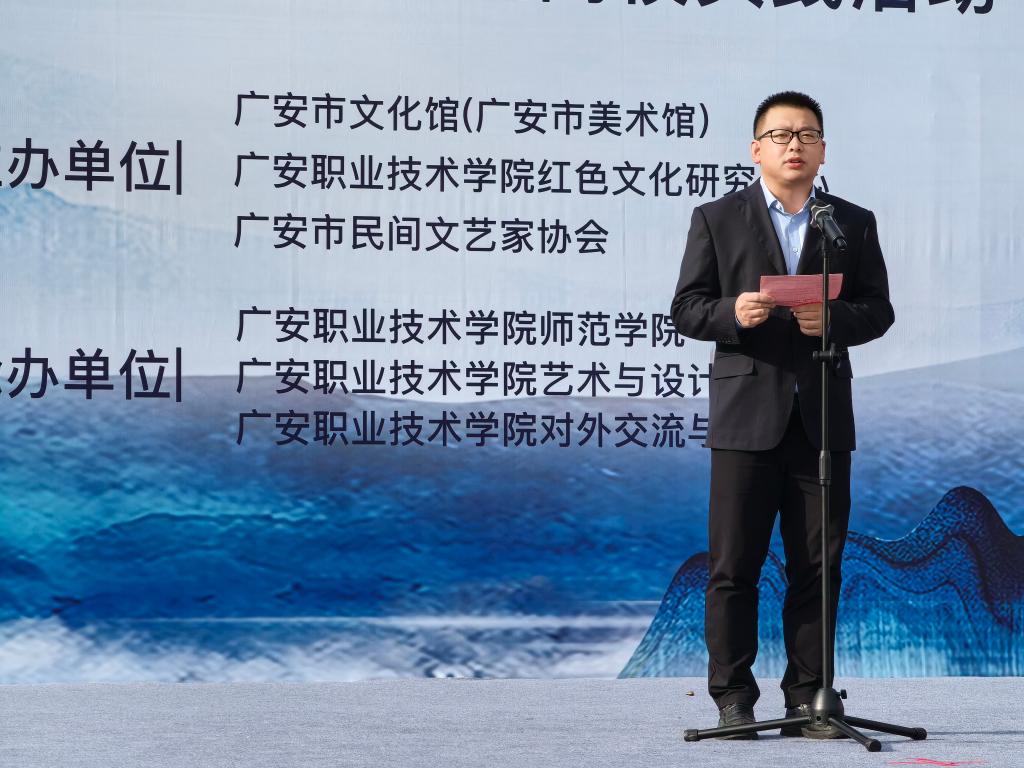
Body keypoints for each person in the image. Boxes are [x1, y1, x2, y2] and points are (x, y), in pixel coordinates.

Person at [669, 91, 894, 739]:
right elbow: (686, 307)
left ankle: (808, 697)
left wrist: (836, 320)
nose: (794, 145)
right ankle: (733, 698)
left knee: (818, 567)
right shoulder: (718, 218)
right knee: (733, 567)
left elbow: (879, 309)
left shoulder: (850, 222)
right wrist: (731, 313)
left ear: (823, 150)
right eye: (781, 134)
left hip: (822, 417)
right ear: (756, 149)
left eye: (807, 134)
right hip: (746, 416)